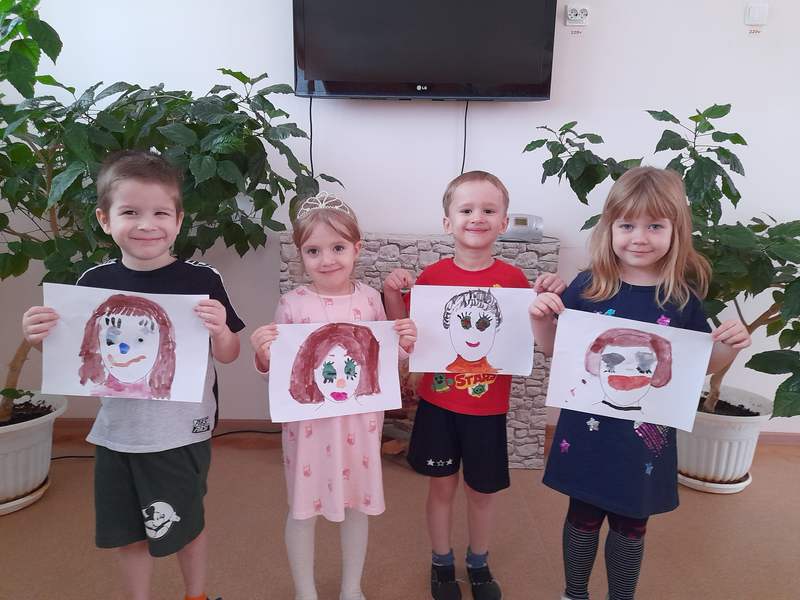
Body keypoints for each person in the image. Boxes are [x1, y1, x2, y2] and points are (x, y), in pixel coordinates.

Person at [22, 149, 244, 600]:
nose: (147, 224)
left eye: (161, 213)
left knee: (186, 524)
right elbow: (74, 356)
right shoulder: (92, 282)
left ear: (178, 221)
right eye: (130, 212)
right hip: (116, 433)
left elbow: (229, 354)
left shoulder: (202, 279)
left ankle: (196, 595)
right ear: (105, 220)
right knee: (128, 533)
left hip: (181, 433)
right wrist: (38, 336)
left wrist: (221, 331)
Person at [528, 166, 751, 600]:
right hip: (587, 435)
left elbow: (696, 366)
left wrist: (731, 347)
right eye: (627, 225)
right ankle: (574, 594)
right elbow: (556, 349)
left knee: (631, 525)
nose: (640, 237)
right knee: (581, 517)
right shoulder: (587, 286)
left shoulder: (682, 299)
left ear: (676, 230)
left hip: (644, 441)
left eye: (655, 226)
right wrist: (540, 319)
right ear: (609, 227)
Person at [383, 171, 566, 600]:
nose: (477, 217)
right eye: (466, 209)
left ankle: (478, 562)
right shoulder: (431, 277)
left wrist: (551, 299)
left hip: (488, 411)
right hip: (438, 406)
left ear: (504, 223)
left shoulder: (516, 282)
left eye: (488, 209)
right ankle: (441, 561)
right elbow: (402, 332)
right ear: (448, 222)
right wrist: (392, 293)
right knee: (441, 487)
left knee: (482, 493)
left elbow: (539, 338)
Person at [250, 191, 418, 600]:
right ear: (301, 255)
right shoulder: (292, 305)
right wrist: (264, 355)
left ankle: (351, 588)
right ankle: (305, 592)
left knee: (356, 507)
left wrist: (405, 341)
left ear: (357, 249)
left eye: (338, 248)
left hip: (359, 428)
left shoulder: (371, 300)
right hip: (308, 432)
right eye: (314, 250)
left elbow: (384, 360)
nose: (327, 259)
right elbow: (283, 377)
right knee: (303, 512)